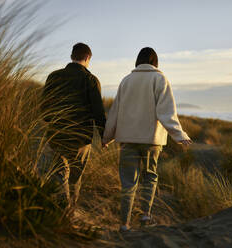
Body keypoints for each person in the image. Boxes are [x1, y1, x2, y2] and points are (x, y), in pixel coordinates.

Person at [102, 47, 192, 231]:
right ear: (155, 62)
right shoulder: (160, 79)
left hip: (127, 140)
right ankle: (145, 217)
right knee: (149, 177)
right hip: (152, 140)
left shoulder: (126, 81)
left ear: (138, 61)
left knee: (128, 182)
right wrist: (179, 135)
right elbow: (166, 112)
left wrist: (107, 137)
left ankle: (124, 224)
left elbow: (115, 112)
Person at [42, 43, 106, 207]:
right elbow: (98, 112)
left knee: (60, 173)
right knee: (74, 178)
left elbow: (44, 108)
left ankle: (61, 210)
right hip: (81, 139)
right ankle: (70, 212)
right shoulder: (91, 80)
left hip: (57, 135)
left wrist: (53, 122)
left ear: (72, 56)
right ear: (87, 58)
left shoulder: (53, 77)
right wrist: (105, 136)